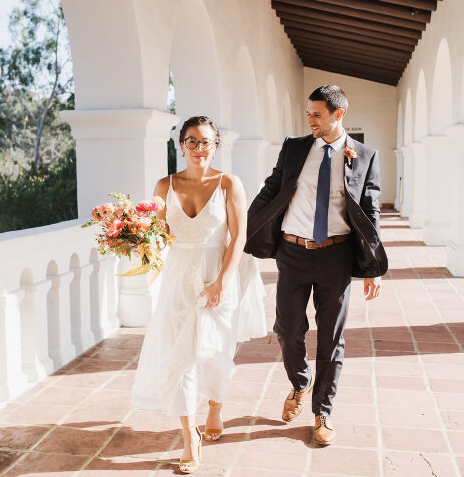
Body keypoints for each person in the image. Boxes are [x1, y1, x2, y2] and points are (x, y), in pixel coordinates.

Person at [244, 86, 388, 446]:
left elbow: (369, 211)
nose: (310, 120)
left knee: (331, 338)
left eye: (317, 114)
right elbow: (271, 189)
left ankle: (323, 411)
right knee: (287, 330)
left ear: (338, 115)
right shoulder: (294, 147)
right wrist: (245, 228)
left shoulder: (365, 155)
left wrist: (373, 267)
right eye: (308, 113)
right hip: (292, 252)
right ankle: (300, 382)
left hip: (336, 256)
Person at [131, 116, 266, 473]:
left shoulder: (229, 184)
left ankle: (215, 406)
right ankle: (189, 434)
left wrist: (221, 282)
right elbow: (158, 234)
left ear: (215, 146)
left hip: (218, 274)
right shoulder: (165, 185)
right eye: (192, 141)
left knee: (216, 352)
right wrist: (134, 238)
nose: (199, 148)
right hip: (178, 279)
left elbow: (238, 237)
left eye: (206, 141)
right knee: (181, 356)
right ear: (181, 146)